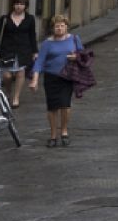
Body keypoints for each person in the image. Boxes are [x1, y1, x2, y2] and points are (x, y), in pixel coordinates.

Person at [29, 15, 85, 146]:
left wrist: (75, 57)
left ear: (66, 27)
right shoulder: (47, 43)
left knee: (65, 105)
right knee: (52, 107)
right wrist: (35, 80)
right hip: (51, 78)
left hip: (67, 76)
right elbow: (39, 62)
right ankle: (53, 135)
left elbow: (83, 55)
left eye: (62, 26)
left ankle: (64, 131)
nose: (59, 28)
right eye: (57, 26)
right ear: (53, 28)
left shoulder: (75, 39)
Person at [0, 0, 40, 106]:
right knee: (7, 76)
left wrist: (35, 51)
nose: (19, 6)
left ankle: (16, 97)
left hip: (23, 50)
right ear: (13, 5)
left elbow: (32, 36)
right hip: (7, 49)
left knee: (20, 73)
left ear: (25, 6)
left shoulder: (30, 19)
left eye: (21, 4)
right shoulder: (4, 18)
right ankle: (8, 92)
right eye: (17, 4)